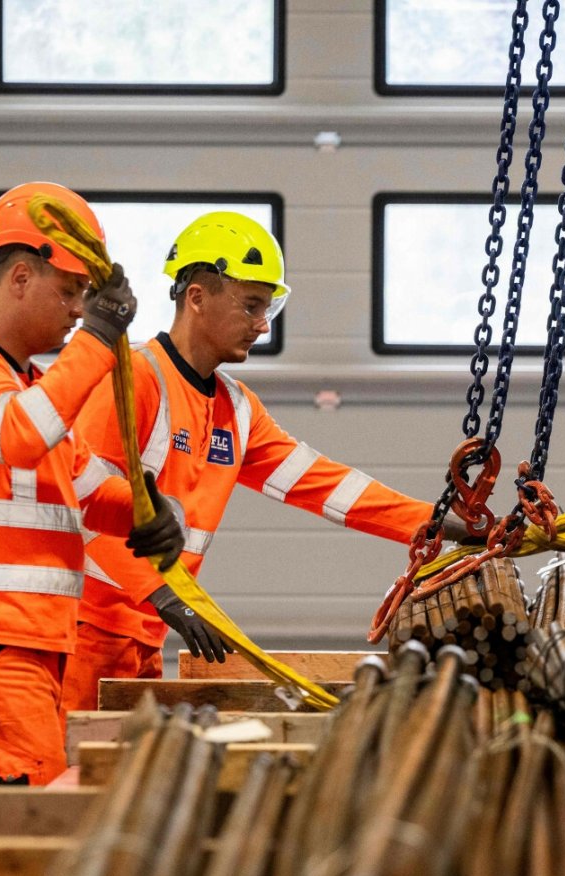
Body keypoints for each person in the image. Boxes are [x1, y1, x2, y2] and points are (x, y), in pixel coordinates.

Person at [61, 211, 470, 711]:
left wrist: (443, 526)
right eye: (251, 304)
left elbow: (327, 486)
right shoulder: (132, 381)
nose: (261, 323)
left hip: (144, 633)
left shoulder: (235, 408)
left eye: (268, 307)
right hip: (83, 634)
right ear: (196, 297)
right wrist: (163, 594)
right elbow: (81, 502)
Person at [0, 181, 184, 786]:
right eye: (70, 291)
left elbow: (82, 489)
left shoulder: (27, 387)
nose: (80, 309)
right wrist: (99, 342)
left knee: (31, 822)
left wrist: (146, 510)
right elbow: (17, 436)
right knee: (18, 827)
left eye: (86, 296)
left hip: (23, 646)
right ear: (21, 277)